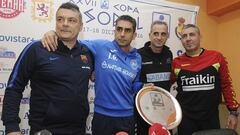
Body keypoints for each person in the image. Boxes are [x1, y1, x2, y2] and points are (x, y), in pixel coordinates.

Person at [41, 15, 147, 135]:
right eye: (119, 29)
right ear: (114, 31)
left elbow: (133, 86)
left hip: (126, 117)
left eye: (127, 30)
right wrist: (53, 33)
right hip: (102, 116)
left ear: (134, 35)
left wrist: (143, 87)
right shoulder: (100, 46)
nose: (122, 34)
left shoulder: (137, 58)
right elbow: (71, 41)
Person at [1, 2, 94, 135]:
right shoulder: (36, 49)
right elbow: (14, 88)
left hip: (78, 130)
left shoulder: (87, 53)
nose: (65, 23)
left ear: (81, 27)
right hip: (44, 130)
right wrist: (11, 127)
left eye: (72, 20)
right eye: (60, 19)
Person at [170, 24, 239, 135]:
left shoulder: (216, 57)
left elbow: (226, 85)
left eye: (192, 34)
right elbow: (165, 84)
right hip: (186, 119)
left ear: (199, 37)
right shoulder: (176, 62)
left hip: (210, 118)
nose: (188, 39)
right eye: (184, 36)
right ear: (181, 40)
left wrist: (233, 112)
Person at [135, 21, 173, 135]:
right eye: (156, 33)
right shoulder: (138, 54)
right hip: (145, 112)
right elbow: (132, 81)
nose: (159, 37)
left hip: (165, 112)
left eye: (163, 34)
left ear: (167, 36)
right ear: (150, 35)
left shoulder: (169, 54)